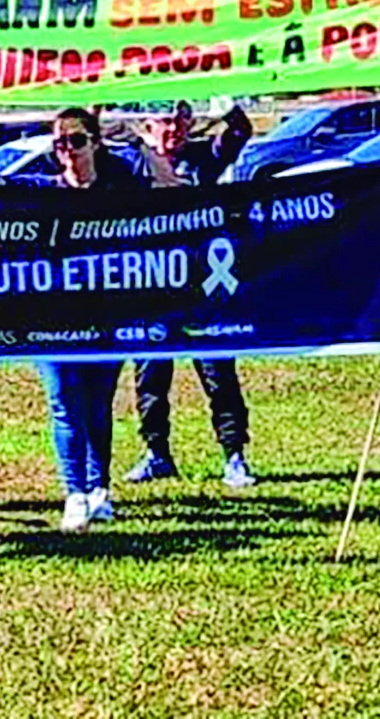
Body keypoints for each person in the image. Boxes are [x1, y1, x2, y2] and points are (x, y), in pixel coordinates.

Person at [0, 105, 133, 532]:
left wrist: (143, 144)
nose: (68, 149)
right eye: (60, 143)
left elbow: (173, 194)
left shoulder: (119, 188)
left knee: (98, 407)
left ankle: (99, 488)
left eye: (77, 140)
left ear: (95, 143)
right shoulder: (43, 190)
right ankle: (75, 492)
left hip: (106, 317)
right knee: (65, 404)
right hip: (51, 320)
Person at [126, 100, 258, 489]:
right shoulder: (133, 166)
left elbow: (240, 132)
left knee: (218, 372)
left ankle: (234, 455)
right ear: (148, 125)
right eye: (164, 121)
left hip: (201, 286)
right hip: (152, 287)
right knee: (151, 376)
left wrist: (221, 98)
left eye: (180, 120)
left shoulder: (203, 158)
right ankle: (156, 453)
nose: (173, 129)